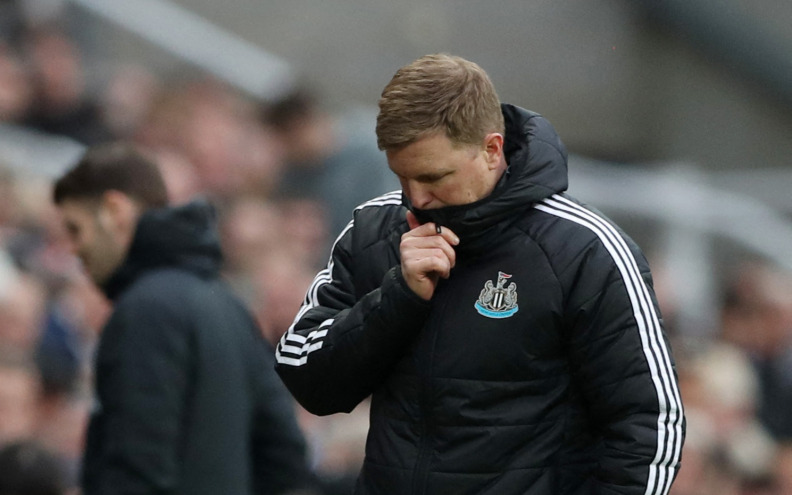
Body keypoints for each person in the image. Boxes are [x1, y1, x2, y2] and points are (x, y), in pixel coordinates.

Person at [275, 54, 685, 494]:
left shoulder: (586, 249)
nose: (417, 197)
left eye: (434, 176)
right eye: (402, 177)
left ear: (491, 150)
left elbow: (650, 423)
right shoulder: (374, 231)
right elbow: (306, 377)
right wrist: (397, 298)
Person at [52, 143, 316, 495]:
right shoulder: (227, 305)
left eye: (75, 229)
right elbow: (285, 458)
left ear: (114, 210)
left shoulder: (145, 311)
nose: (73, 248)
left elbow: (136, 470)